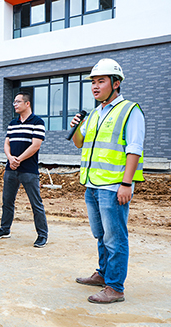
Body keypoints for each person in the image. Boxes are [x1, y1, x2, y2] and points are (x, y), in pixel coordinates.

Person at [70, 58, 145, 304]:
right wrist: (77, 127)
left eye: (101, 81)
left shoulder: (130, 110)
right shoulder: (93, 113)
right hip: (92, 184)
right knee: (100, 235)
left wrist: (126, 183)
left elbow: (134, 148)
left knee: (116, 237)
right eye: (93, 81)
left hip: (113, 186)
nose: (95, 86)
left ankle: (115, 287)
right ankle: (103, 274)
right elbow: (80, 144)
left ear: (116, 83)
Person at [0, 91, 48, 248]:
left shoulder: (38, 122)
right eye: (14, 102)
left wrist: (18, 159)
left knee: (36, 203)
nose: (14, 104)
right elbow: (6, 143)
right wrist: (10, 158)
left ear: (27, 104)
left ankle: (42, 235)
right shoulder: (12, 123)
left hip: (29, 170)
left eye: (17, 102)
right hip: (11, 169)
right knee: (7, 201)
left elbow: (35, 145)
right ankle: (5, 229)